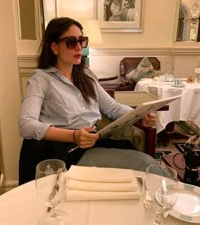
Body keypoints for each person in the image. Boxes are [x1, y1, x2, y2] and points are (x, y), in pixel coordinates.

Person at [18, 17, 159, 185]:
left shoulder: (86, 75)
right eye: (71, 42)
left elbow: (112, 108)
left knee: (145, 163)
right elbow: (26, 125)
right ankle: (170, 198)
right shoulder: (41, 79)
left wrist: (139, 115)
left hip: (92, 142)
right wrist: (74, 135)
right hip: (65, 150)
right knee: (144, 164)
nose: (79, 47)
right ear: (54, 47)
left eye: (81, 40)